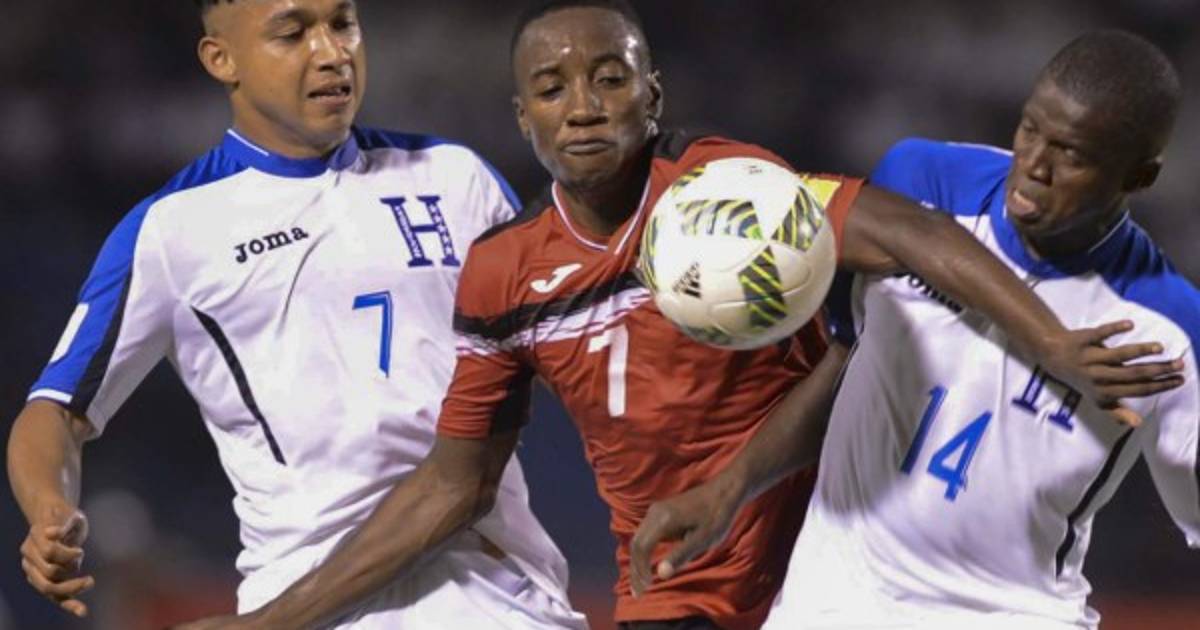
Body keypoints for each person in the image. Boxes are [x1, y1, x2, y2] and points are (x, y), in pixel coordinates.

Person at [204, 5, 1184, 630]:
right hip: (677, 579)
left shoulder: (724, 189)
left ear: (652, 92)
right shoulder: (505, 277)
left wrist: (1051, 342)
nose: (584, 106)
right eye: (552, 88)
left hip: (822, 554)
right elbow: (452, 485)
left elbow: (904, 233)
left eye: (610, 78)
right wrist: (271, 622)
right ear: (522, 117)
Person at [6, 1, 586, 628]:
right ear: (221, 59)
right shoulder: (172, 231)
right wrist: (49, 510)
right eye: (292, 33)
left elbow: (582, 361)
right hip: (315, 608)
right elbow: (55, 411)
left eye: (343, 24)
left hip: (500, 598)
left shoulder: (457, 179)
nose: (332, 52)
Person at [633, 30, 1198, 630]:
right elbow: (844, 366)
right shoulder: (922, 182)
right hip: (834, 604)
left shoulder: (1168, 328)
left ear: (1140, 176)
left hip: (1017, 613)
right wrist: (732, 486)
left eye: (1072, 155)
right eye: (1030, 129)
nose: (1035, 166)